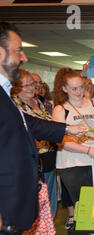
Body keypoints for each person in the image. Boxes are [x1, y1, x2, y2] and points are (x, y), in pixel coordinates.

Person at [0, 21, 87, 235]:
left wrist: (66, 129)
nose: (23, 57)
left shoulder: (4, 92)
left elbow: (27, 123)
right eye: (18, 50)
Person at [52, 68, 94, 230]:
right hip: (72, 163)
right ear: (64, 88)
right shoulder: (60, 109)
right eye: (74, 88)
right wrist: (87, 150)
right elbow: (60, 140)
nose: (79, 91)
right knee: (82, 204)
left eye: (81, 87)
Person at [11, 69, 58, 219]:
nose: (32, 88)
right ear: (16, 88)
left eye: (33, 84)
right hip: (29, 162)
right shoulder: (14, 106)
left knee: (50, 199)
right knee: (35, 204)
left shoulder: (41, 102)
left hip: (49, 158)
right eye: (26, 85)